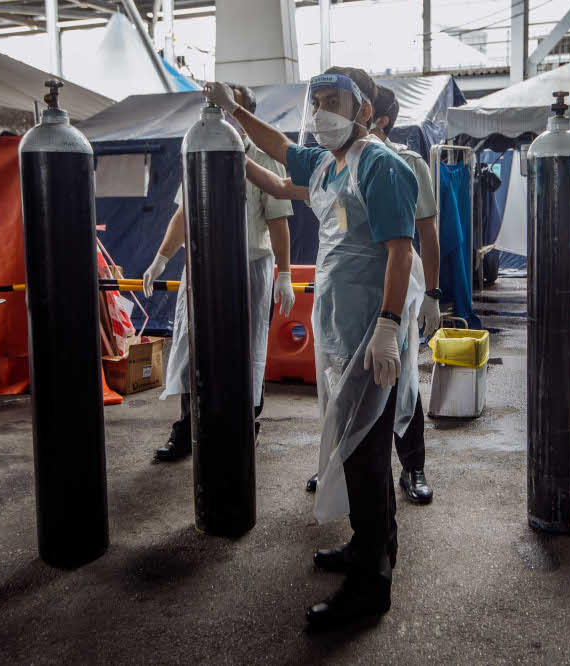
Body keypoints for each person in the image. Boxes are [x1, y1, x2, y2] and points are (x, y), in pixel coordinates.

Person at [203, 66, 422, 628]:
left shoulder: (382, 165)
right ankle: (366, 545)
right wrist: (233, 119)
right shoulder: (330, 164)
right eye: (316, 101)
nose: (322, 112)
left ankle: (370, 585)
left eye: (334, 102)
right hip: (338, 332)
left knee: (369, 456)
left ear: (364, 112)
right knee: (350, 447)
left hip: (369, 334)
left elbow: (400, 252)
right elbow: (278, 159)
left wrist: (388, 327)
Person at [141, 83, 296, 462]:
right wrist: (162, 257)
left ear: (247, 117)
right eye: (216, 105)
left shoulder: (262, 157)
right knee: (192, 347)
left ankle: (244, 426)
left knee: (246, 348)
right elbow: (184, 212)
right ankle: (187, 430)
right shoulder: (198, 150)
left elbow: (278, 221)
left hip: (248, 267)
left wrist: (285, 272)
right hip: (202, 266)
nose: (220, 113)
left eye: (230, 107)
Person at [310, 83, 438, 504]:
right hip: (356, 293)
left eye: (337, 107)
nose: (326, 117)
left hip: (398, 283)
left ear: (373, 116)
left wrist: (432, 294)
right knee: (349, 385)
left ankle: (413, 466)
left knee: (400, 382)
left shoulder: (403, 162)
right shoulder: (339, 164)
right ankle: (345, 462)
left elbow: (425, 234)